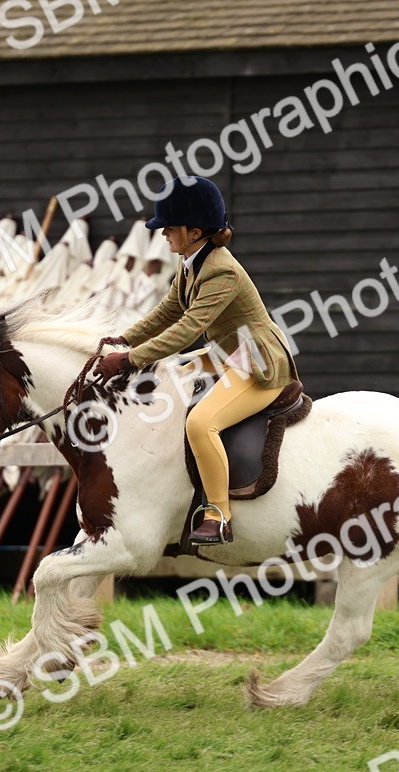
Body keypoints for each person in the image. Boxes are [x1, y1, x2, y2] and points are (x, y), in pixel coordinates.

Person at [95, 176, 299, 545]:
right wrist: (125, 339)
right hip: (227, 354)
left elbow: (189, 329)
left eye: (170, 228)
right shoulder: (190, 263)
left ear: (194, 232)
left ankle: (218, 515)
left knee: (201, 423)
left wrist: (129, 360)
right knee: (167, 381)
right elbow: (167, 311)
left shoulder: (222, 270)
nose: (163, 234)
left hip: (259, 362)